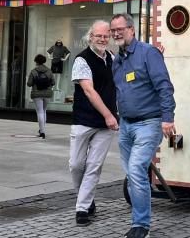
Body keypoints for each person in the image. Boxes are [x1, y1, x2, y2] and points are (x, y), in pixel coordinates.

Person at [110, 13, 176, 238]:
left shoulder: (148, 53)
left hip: (149, 123)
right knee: (132, 173)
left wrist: (168, 118)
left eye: (120, 29)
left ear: (132, 30)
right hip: (126, 126)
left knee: (137, 170)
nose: (116, 33)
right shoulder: (117, 60)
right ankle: (140, 219)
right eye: (113, 30)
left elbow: (164, 87)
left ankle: (141, 225)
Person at [70, 20, 119, 226]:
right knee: (76, 165)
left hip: (105, 126)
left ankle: (82, 208)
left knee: (93, 167)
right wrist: (109, 115)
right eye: (98, 36)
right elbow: (89, 91)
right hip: (84, 120)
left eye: (106, 36)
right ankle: (86, 198)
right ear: (91, 36)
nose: (102, 39)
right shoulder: (82, 59)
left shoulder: (113, 58)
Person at [27, 54, 55, 139]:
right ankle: (42, 129)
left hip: (37, 94)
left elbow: (29, 84)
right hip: (47, 94)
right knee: (44, 111)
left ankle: (42, 132)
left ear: (36, 61)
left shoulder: (33, 71)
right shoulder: (49, 71)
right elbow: (53, 82)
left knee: (39, 112)